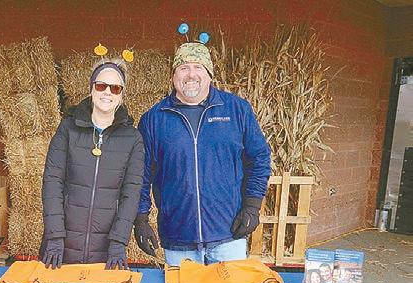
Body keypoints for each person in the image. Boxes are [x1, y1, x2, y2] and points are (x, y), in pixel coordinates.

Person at [133, 41, 271, 265]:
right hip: (178, 240)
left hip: (229, 236)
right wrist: (140, 219)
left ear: (209, 74)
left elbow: (259, 159)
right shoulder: (154, 119)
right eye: (183, 68)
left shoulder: (237, 110)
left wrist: (252, 207)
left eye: (198, 67)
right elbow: (140, 173)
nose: (191, 74)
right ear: (173, 75)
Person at [39, 59, 145, 270]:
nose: (107, 92)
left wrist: (118, 242)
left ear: (121, 95)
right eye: (101, 85)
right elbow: (52, 183)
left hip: (106, 253)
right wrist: (55, 237)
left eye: (115, 88)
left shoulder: (133, 139)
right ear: (91, 89)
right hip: (61, 249)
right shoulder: (67, 129)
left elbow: (131, 194)